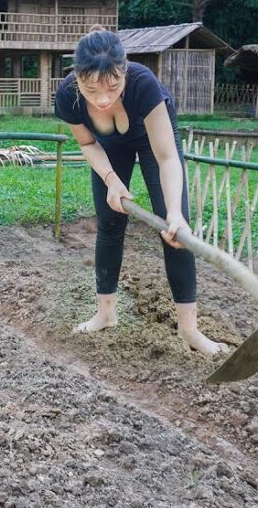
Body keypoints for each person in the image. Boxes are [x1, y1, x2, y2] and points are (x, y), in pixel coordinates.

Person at [54, 26, 228, 355]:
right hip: (108, 148)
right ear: (77, 77)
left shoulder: (143, 84)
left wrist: (174, 211)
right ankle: (106, 314)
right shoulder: (67, 96)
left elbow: (167, 157)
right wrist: (110, 178)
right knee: (108, 223)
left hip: (153, 146)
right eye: (91, 89)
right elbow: (88, 143)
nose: (103, 99)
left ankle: (189, 329)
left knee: (175, 229)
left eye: (113, 86)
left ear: (124, 69)